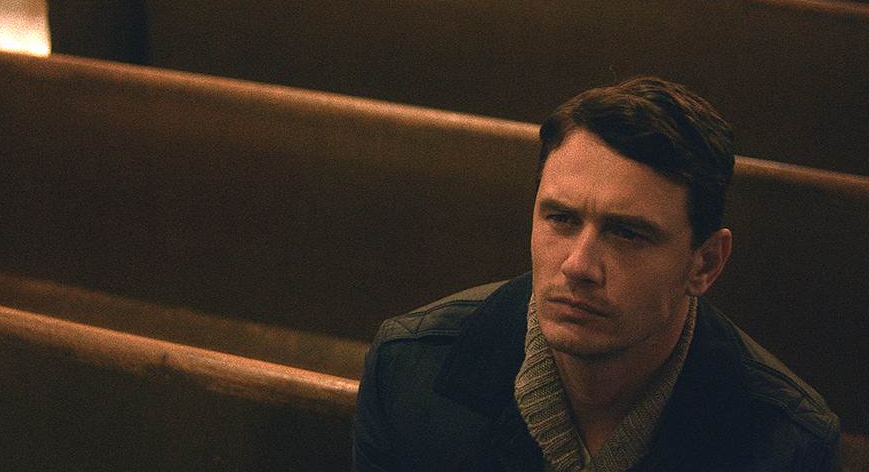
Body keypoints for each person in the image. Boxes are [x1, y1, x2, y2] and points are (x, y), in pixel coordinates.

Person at [353, 77, 840, 471]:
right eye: (561, 219)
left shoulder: (787, 444)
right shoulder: (409, 369)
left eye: (627, 233)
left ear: (705, 263)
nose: (578, 265)